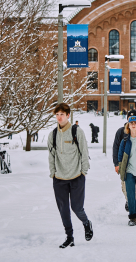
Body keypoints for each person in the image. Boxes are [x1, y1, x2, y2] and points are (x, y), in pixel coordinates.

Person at [47, 103, 93, 249]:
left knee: (77, 207)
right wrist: (53, 173)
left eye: (62, 114)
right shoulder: (52, 134)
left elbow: (84, 152)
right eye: (57, 115)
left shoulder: (76, 131)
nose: (59, 117)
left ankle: (86, 223)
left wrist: (83, 171)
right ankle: (69, 237)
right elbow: (51, 156)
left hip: (76, 176)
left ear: (68, 115)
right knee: (63, 210)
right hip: (59, 179)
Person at [112, 110, 136, 212]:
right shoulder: (120, 132)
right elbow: (115, 148)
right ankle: (129, 200)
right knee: (124, 185)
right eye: (130, 118)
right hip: (124, 165)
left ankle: (134, 203)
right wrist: (116, 163)